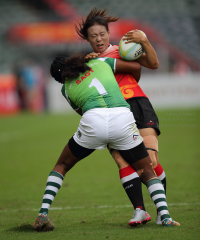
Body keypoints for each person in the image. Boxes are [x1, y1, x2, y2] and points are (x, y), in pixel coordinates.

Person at [33, 55, 179, 231]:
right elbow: (134, 67)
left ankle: (42, 213)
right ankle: (166, 217)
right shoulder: (100, 62)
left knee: (62, 165)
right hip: (122, 117)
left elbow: (81, 110)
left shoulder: (65, 89)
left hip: (94, 121)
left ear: (61, 78)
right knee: (147, 170)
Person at [74, 7, 167, 225]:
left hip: (137, 104)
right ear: (88, 40)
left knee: (150, 160)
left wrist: (144, 41)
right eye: (93, 36)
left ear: (108, 33)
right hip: (112, 114)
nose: (99, 39)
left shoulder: (124, 50)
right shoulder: (87, 63)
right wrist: (89, 66)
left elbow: (153, 64)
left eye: (102, 34)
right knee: (121, 161)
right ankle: (139, 210)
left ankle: (162, 212)